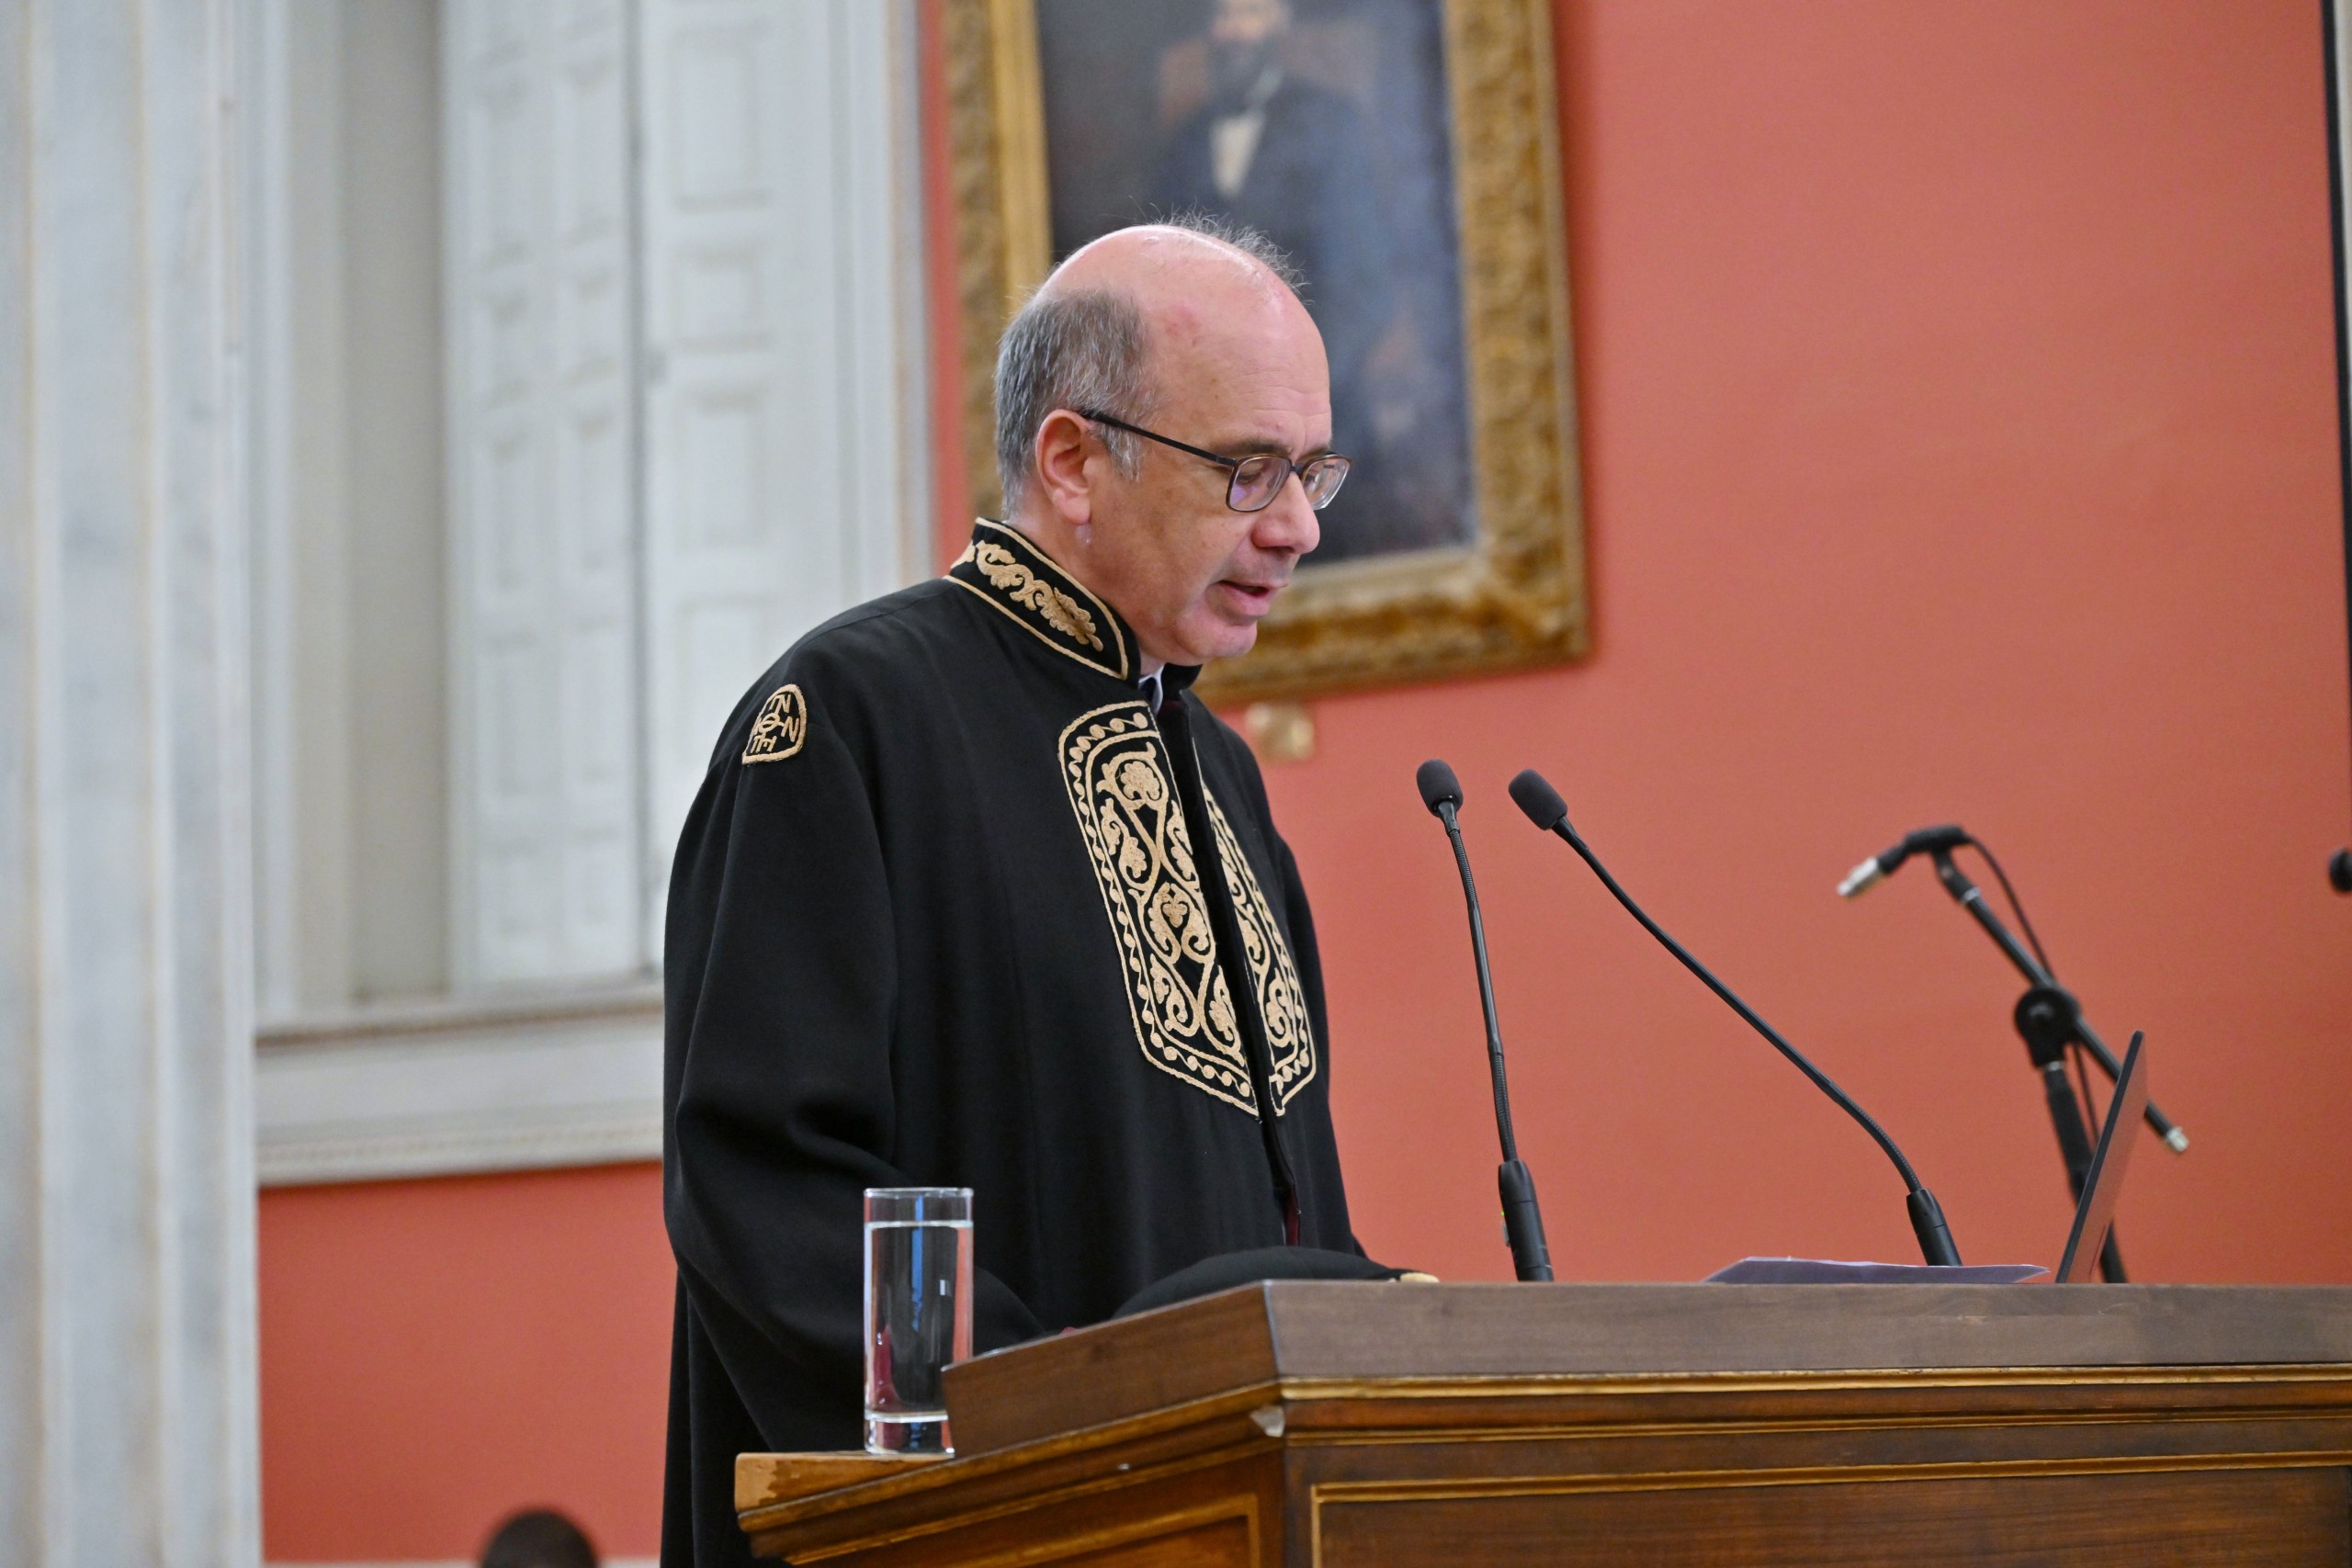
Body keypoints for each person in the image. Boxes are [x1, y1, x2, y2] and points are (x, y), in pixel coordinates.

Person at [660, 219, 1374, 1565]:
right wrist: (1065, 1436)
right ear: (1072, 462)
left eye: (1313, 471)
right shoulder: (849, 720)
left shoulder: (1219, 770)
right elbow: (766, 1183)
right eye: (1249, 470)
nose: (1298, 527)